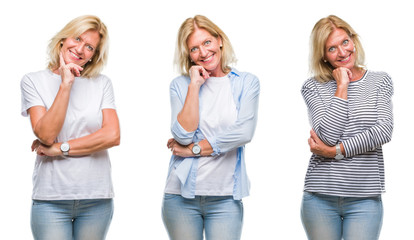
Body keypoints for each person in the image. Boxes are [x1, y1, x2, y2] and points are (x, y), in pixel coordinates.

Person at [20, 15, 120, 240]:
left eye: (90, 47)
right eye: (77, 38)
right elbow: (46, 134)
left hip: (97, 198)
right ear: (63, 39)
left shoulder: (102, 83)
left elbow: (112, 135)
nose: (81, 49)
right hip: (51, 199)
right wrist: (66, 83)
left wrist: (59, 149)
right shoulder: (33, 81)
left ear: (93, 56)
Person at [161, 15, 260, 240]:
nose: (203, 53)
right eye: (194, 48)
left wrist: (193, 150)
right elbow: (183, 135)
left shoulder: (246, 82)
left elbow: (244, 132)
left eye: (207, 43)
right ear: (188, 54)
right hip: (180, 198)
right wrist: (194, 85)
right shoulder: (180, 85)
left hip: (225, 198)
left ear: (219, 40)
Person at [300, 15, 393, 240]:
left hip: (365, 198)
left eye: (344, 42)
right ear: (323, 55)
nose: (342, 53)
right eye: (332, 48)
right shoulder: (312, 87)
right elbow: (327, 136)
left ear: (353, 40)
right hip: (320, 197)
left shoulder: (380, 81)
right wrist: (342, 85)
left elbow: (383, 131)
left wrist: (336, 152)